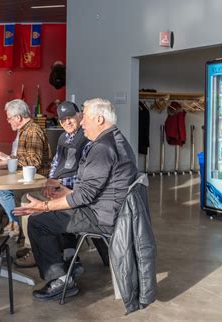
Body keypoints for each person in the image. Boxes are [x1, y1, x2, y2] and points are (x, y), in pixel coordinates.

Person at [13, 98, 137, 301]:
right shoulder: (115, 139)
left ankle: (60, 280)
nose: (81, 123)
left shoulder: (102, 148)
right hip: (110, 210)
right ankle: (70, 259)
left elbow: (85, 196)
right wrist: (65, 192)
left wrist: (45, 206)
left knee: (38, 222)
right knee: (52, 212)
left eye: (85, 117)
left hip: (101, 216)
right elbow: (93, 187)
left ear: (98, 119)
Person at [15, 101, 89, 268]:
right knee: (22, 195)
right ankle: (33, 244)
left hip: (71, 191)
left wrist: (60, 184)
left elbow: (85, 173)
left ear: (80, 116)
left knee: (29, 202)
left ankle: (36, 250)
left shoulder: (86, 137)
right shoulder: (64, 137)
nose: (67, 122)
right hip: (58, 186)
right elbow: (56, 162)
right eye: (63, 120)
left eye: (70, 117)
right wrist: (50, 181)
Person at [0, 99, 51, 237]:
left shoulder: (32, 131)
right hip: (28, 178)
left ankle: (19, 226)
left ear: (18, 117)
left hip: (37, 181)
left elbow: (34, 162)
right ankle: (19, 225)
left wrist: (8, 159)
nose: (8, 121)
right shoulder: (26, 130)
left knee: (0, 190)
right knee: (1, 189)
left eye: (9, 118)